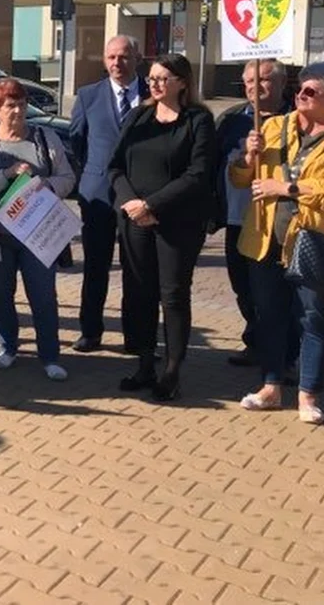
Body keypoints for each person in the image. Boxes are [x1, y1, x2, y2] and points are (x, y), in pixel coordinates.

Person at [233, 62, 324, 425]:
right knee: (269, 317)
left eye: (312, 91)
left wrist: (288, 189)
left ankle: (308, 394)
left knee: (314, 318)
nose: (301, 95)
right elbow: (239, 180)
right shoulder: (272, 127)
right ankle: (270, 385)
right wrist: (249, 157)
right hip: (266, 240)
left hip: (317, 241)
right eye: (300, 88)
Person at [109, 53, 216, 402]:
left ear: (182, 83)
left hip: (177, 222)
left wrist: (152, 205)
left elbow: (198, 174)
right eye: (151, 78)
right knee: (140, 291)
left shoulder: (197, 120)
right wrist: (132, 204)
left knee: (172, 295)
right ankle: (144, 363)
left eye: (162, 79)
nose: (154, 84)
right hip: (135, 219)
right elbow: (115, 167)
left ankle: (172, 370)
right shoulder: (139, 116)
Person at [0, 79, 76, 380]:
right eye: (10, 105)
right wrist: (6, 174)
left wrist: (45, 187)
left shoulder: (45, 137)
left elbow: (67, 178)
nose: (18, 110)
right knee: (0, 294)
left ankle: (50, 356)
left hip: (39, 235)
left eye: (22, 103)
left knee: (43, 296)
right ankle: (7, 347)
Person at [69, 35, 150, 353]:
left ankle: (135, 336)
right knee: (96, 265)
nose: (118, 63)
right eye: (112, 57)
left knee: (137, 268)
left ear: (137, 59)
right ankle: (91, 331)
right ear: (104, 60)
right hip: (98, 194)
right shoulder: (88, 95)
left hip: (138, 193)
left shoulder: (152, 93)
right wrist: (93, 172)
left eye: (125, 57)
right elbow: (77, 140)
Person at [211, 59, 292, 367]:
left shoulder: (296, 118)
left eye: (264, 80)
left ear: (283, 83)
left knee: (280, 291)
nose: (254, 86)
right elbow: (214, 165)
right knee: (243, 286)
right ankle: (256, 340)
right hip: (237, 218)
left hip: (281, 221)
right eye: (248, 81)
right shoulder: (231, 120)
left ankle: (286, 352)